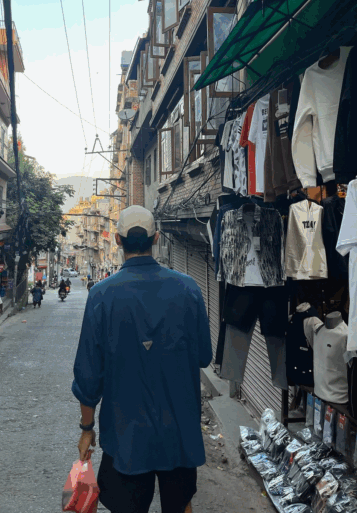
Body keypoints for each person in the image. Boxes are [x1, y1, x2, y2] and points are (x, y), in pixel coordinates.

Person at [72, 205, 212, 513]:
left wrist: (87, 428)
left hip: (126, 437)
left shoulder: (101, 295)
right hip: (178, 432)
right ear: (156, 239)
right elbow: (204, 356)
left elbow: (88, 376)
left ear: (118, 241)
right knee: (180, 505)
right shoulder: (188, 289)